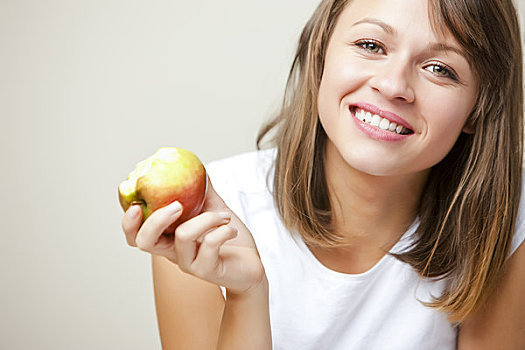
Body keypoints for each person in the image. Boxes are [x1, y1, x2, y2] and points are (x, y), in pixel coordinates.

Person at [121, 0, 525, 348]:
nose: (393, 85)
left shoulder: (507, 226)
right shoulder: (206, 216)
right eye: (370, 45)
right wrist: (248, 294)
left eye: (440, 68)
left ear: (479, 107)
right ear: (321, 52)